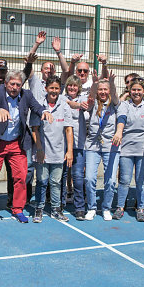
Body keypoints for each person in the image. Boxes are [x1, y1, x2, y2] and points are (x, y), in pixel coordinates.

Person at [0, 70, 52, 224]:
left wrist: (45, 111)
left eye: (18, 85)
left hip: (16, 142)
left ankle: (18, 209)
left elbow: (36, 106)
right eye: (12, 84)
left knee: (21, 176)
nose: (14, 87)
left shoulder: (26, 95)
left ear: (22, 85)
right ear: (6, 83)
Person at [112, 77, 144, 222]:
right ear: (129, 90)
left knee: (142, 182)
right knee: (124, 180)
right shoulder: (124, 105)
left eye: (139, 90)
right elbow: (121, 119)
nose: (136, 92)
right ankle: (120, 207)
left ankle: (140, 208)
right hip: (127, 149)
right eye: (133, 89)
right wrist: (118, 132)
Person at [30, 76, 73, 223]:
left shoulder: (64, 105)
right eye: (51, 88)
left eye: (56, 88)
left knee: (56, 182)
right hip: (42, 153)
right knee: (42, 181)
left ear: (60, 89)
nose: (54, 91)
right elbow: (34, 129)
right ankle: (39, 209)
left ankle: (56, 209)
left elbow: (68, 130)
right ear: (46, 89)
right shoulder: (39, 105)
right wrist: (40, 149)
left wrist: (69, 151)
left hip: (59, 153)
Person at [84, 71, 119, 221]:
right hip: (93, 145)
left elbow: (115, 94)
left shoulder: (115, 104)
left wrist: (111, 83)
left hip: (111, 146)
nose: (103, 92)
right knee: (90, 178)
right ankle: (91, 207)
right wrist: (95, 83)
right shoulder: (93, 103)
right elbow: (91, 95)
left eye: (105, 89)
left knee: (110, 180)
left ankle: (106, 208)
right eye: (101, 89)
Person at [60, 75, 88, 217]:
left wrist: (82, 105)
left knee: (77, 176)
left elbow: (84, 104)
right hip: (62, 145)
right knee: (62, 175)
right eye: (70, 85)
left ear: (79, 88)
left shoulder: (83, 99)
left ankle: (79, 207)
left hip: (79, 145)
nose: (72, 88)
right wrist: (78, 106)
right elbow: (70, 104)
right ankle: (59, 205)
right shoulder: (61, 98)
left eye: (75, 86)